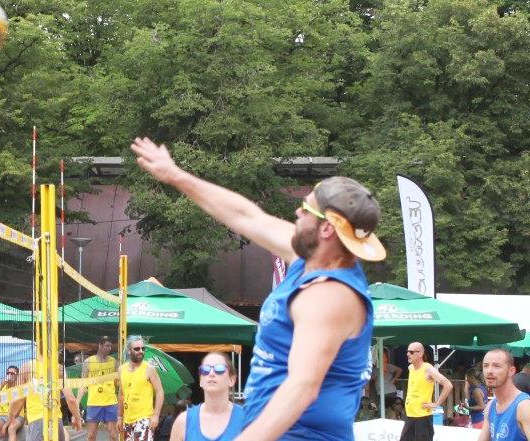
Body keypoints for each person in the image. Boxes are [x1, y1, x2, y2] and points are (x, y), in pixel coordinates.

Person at [130, 138, 385, 439]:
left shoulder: (329, 296)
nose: (298, 213)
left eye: (306, 209)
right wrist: (175, 175)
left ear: (327, 229)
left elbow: (302, 387)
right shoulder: (309, 257)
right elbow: (246, 216)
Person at [169, 352, 246, 441]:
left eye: (219, 369)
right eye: (205, 370)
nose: (211, 373)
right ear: (201, 381)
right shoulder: (183, 421)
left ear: (232, 380)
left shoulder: (247, 419)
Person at [8, 359, 83, 441]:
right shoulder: (59, 368)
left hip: (36, 420)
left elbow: (17, 399)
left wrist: (11, 416)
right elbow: (71, 399)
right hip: (55, 420)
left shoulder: (26, 367)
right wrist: (77, 417)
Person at [400, 341, 453, 441]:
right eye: (407, 351)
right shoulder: (410, 368)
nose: (408, 354)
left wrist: (436, 403)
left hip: (422, 418)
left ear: (420, 354)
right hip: (410, 416)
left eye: (411, 352)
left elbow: (448, 385)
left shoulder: (428, 368)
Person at [478, 348, 530, 441]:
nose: (489, 371)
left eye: (496, 366)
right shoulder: (490, 406)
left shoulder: (524, 406)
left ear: (511, 371)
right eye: (485, 366)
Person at [121, 336, 164, 441]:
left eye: (143, 348)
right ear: (129, 351)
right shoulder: (121, 369)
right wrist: (119, 417)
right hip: (127, 419)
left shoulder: (149, 368)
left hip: (144, 418)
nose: (141, 351)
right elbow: (121, 394)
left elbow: (159, 391)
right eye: (137, 349)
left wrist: (156, 415)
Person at [79, 336, 119, 441]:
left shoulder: (114, 362)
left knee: (113, 435)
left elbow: (118, 383)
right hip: (94, 403)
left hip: (110, 402)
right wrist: (77, 403)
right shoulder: (88, 362)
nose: (109, 348)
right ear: (100, 346)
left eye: (110, 346)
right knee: (91, 435)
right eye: (107, 346)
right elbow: (82, 383)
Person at [0, 365, 24, 441]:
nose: (9, 375)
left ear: (17, 376)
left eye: (12, 373)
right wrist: (2, 383)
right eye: (8, 373)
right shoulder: (2, 387)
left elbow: (16, 412)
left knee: (11, 428)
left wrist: (5, 426)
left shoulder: (19, 388)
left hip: (16, 416)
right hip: (2, 415)